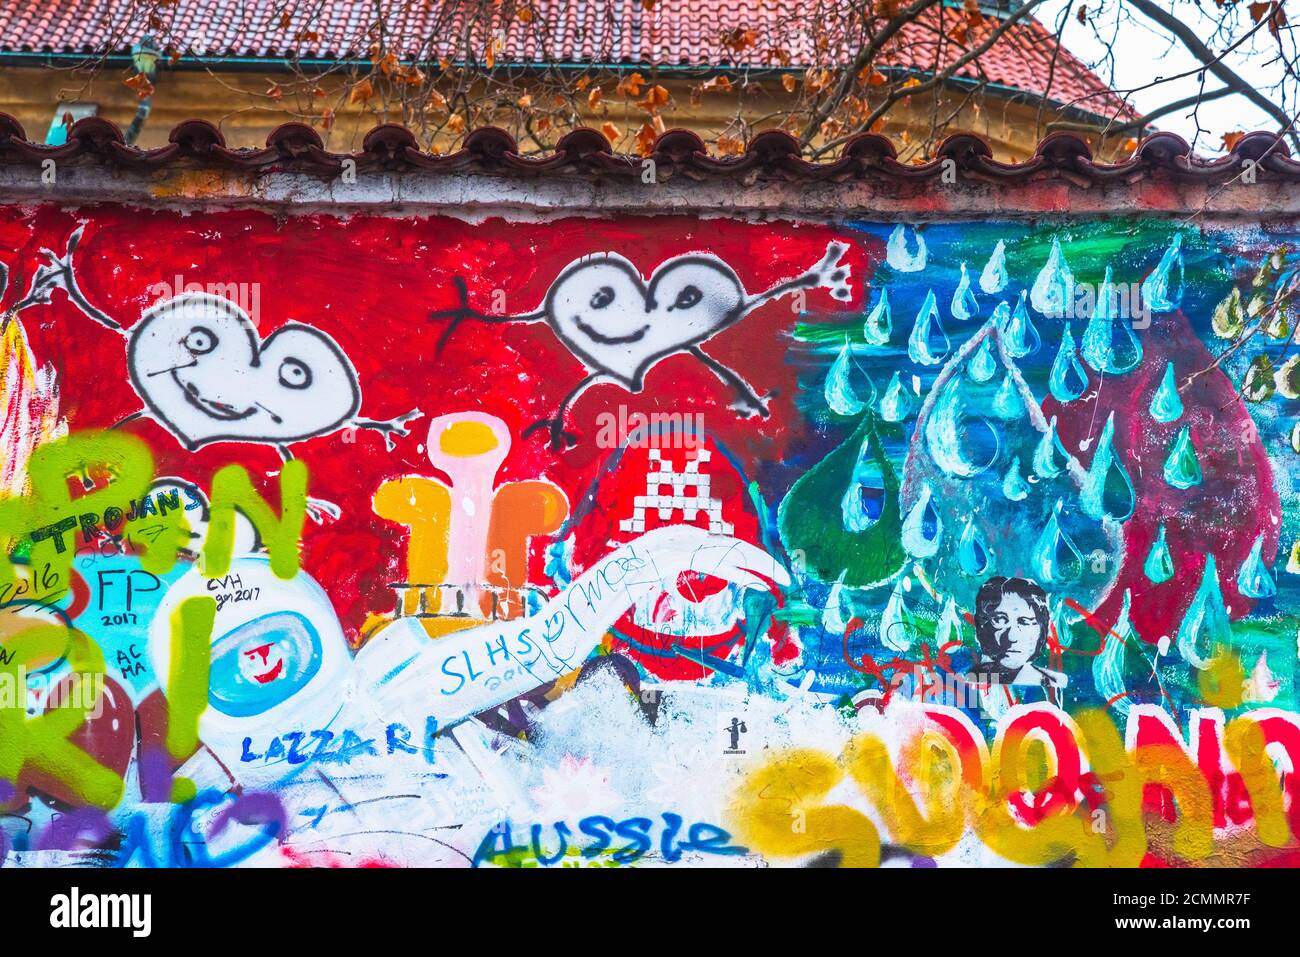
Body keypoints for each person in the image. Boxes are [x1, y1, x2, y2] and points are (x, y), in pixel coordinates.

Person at [970, 576, 1067, 691]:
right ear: (983, 626)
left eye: (1025, 622)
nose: (1012, 636)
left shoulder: (1053, 682)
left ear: (1040, 629)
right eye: (1000, 620)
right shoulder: (971, 679)